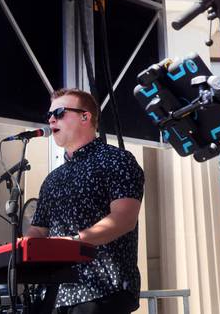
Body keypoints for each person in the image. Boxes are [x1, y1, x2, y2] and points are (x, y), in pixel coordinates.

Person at [25, 88, 144, 313]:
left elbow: (124, 218)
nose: (51, 119)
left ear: (85, 116)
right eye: (49, 115)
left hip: (102, 289)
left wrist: (72, 242)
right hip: (53, 293)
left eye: (59, 112)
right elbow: (39, 230)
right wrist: (22, 247)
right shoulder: (53, 178)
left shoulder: (117, 159)